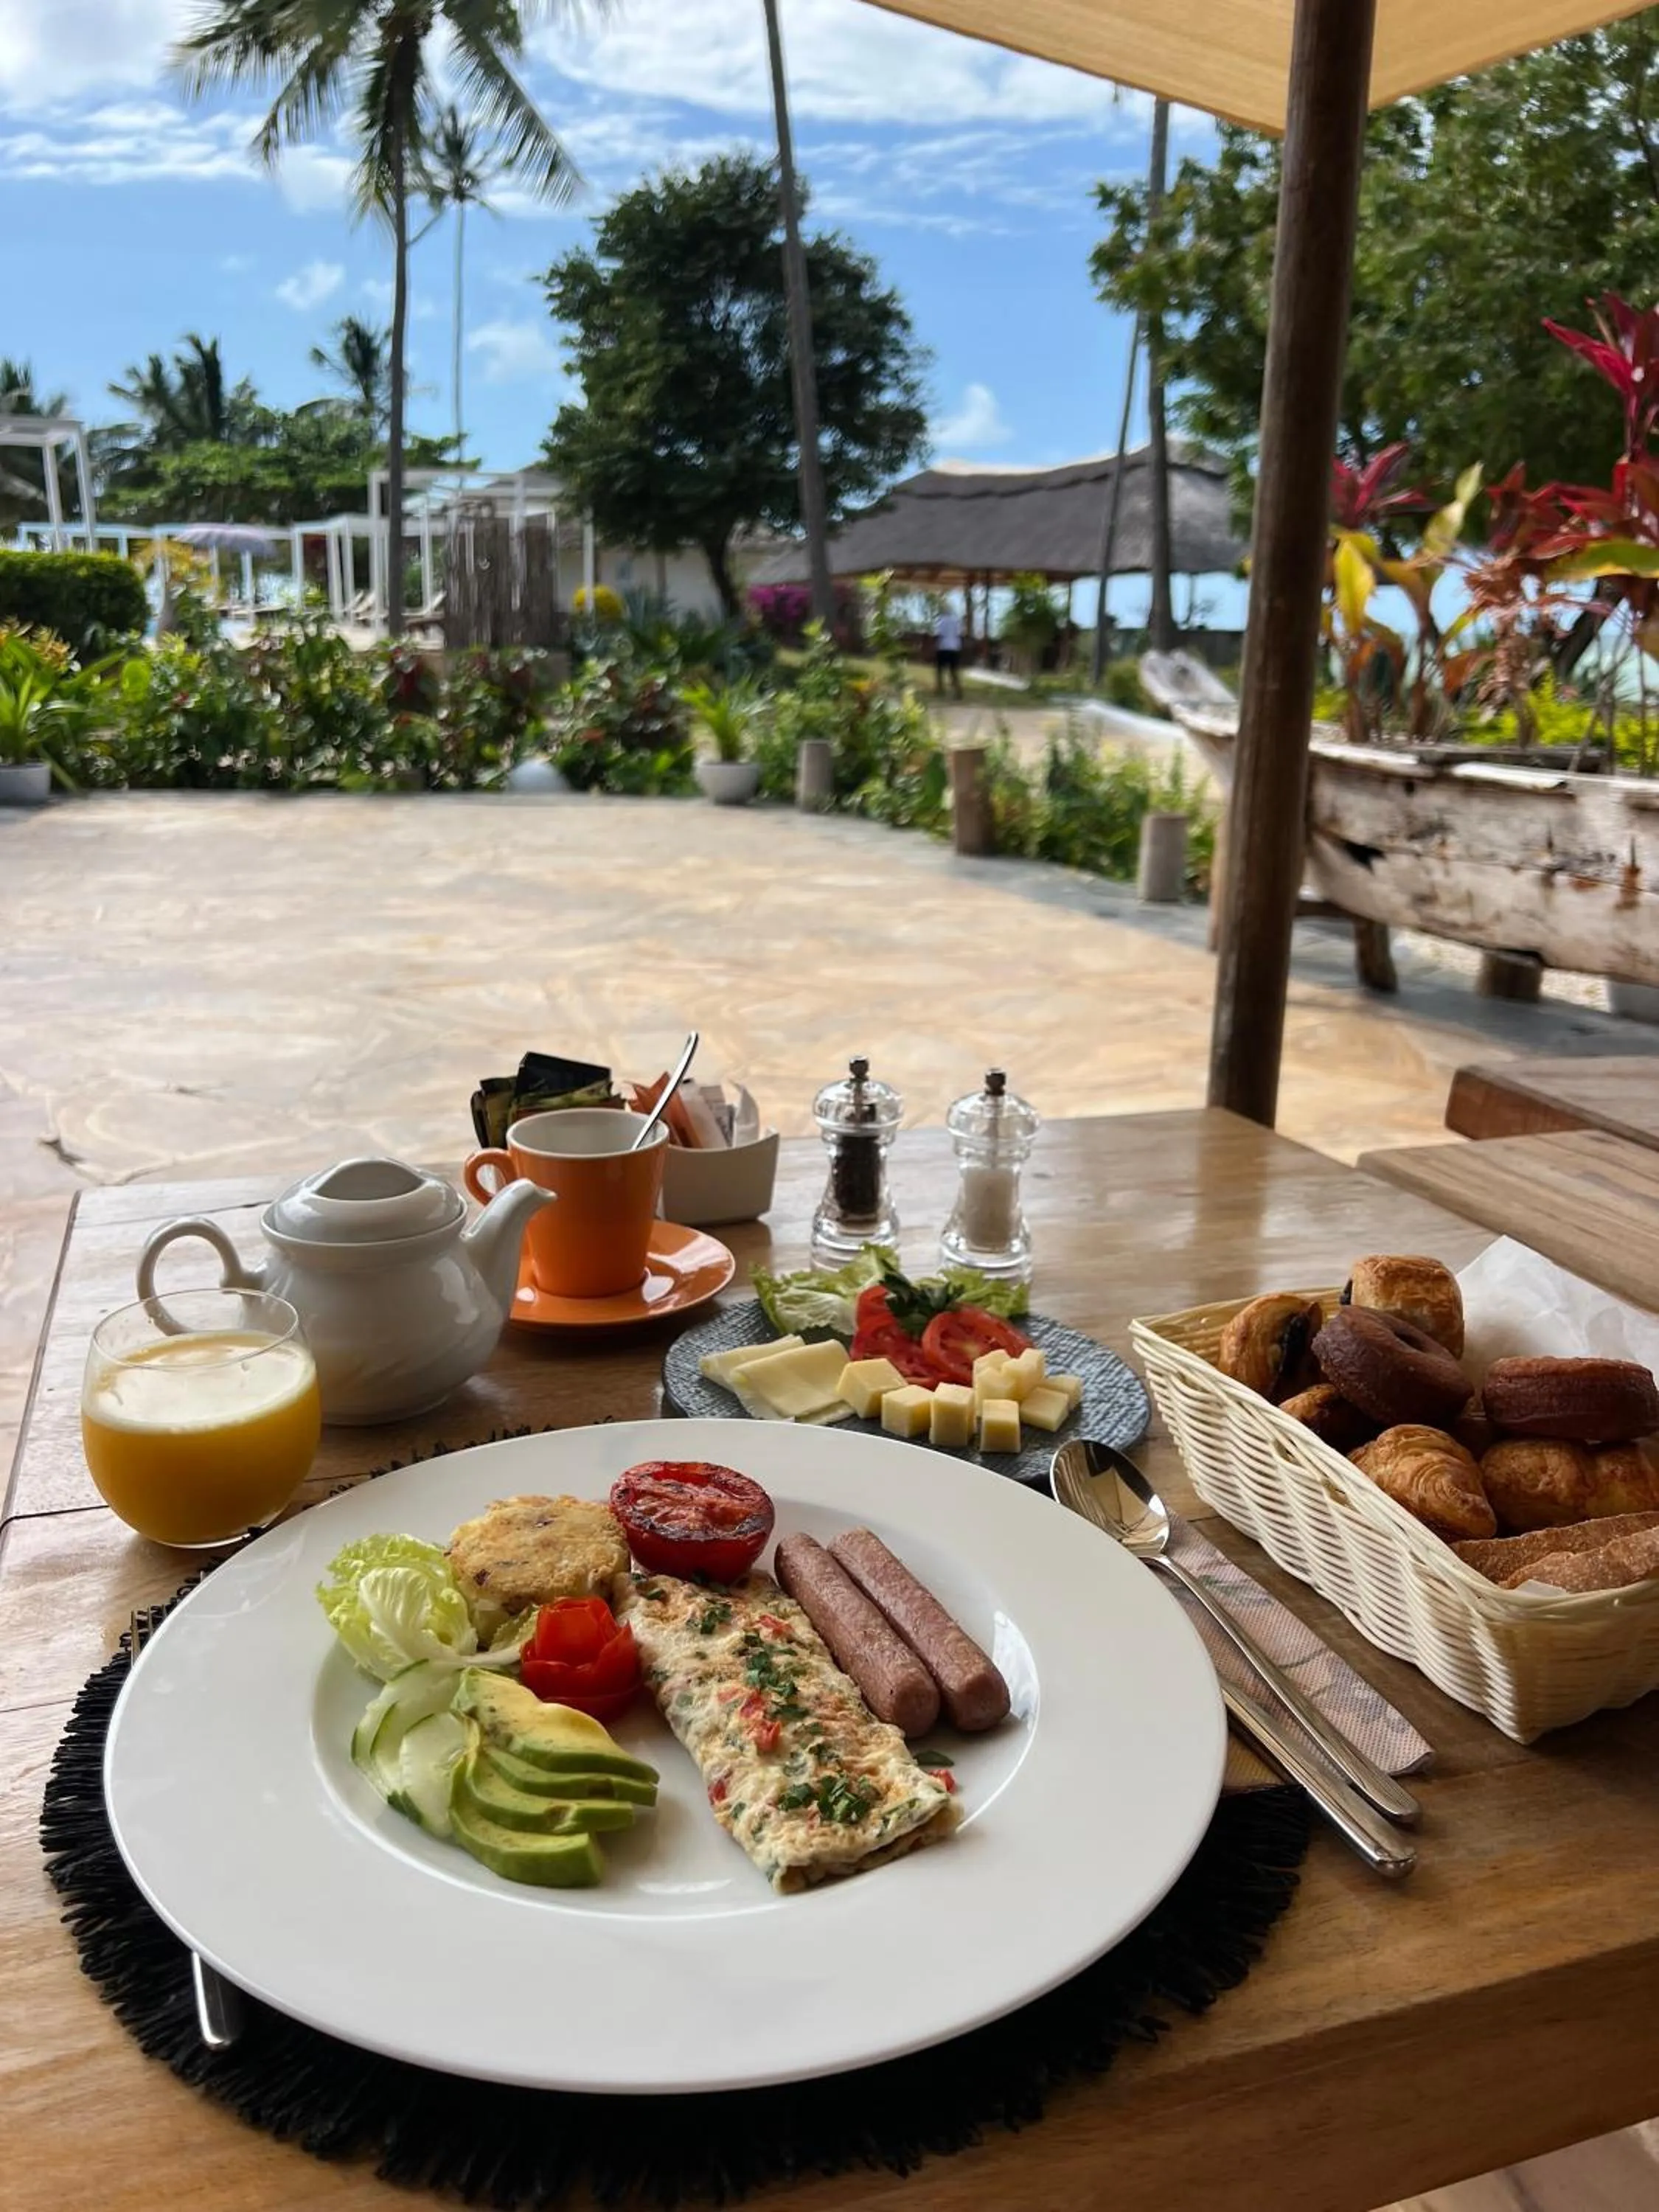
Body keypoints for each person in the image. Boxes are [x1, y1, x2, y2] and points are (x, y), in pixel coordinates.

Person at [933, 598, 964, 698]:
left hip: (943, 647)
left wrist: (935, 645)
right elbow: (959, 634)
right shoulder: (956, 620)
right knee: (954, 671)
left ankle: (940, 689)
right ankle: (958, 691)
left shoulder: (941, 620)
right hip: (954, 647)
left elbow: (939, 634)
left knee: (940, 670)